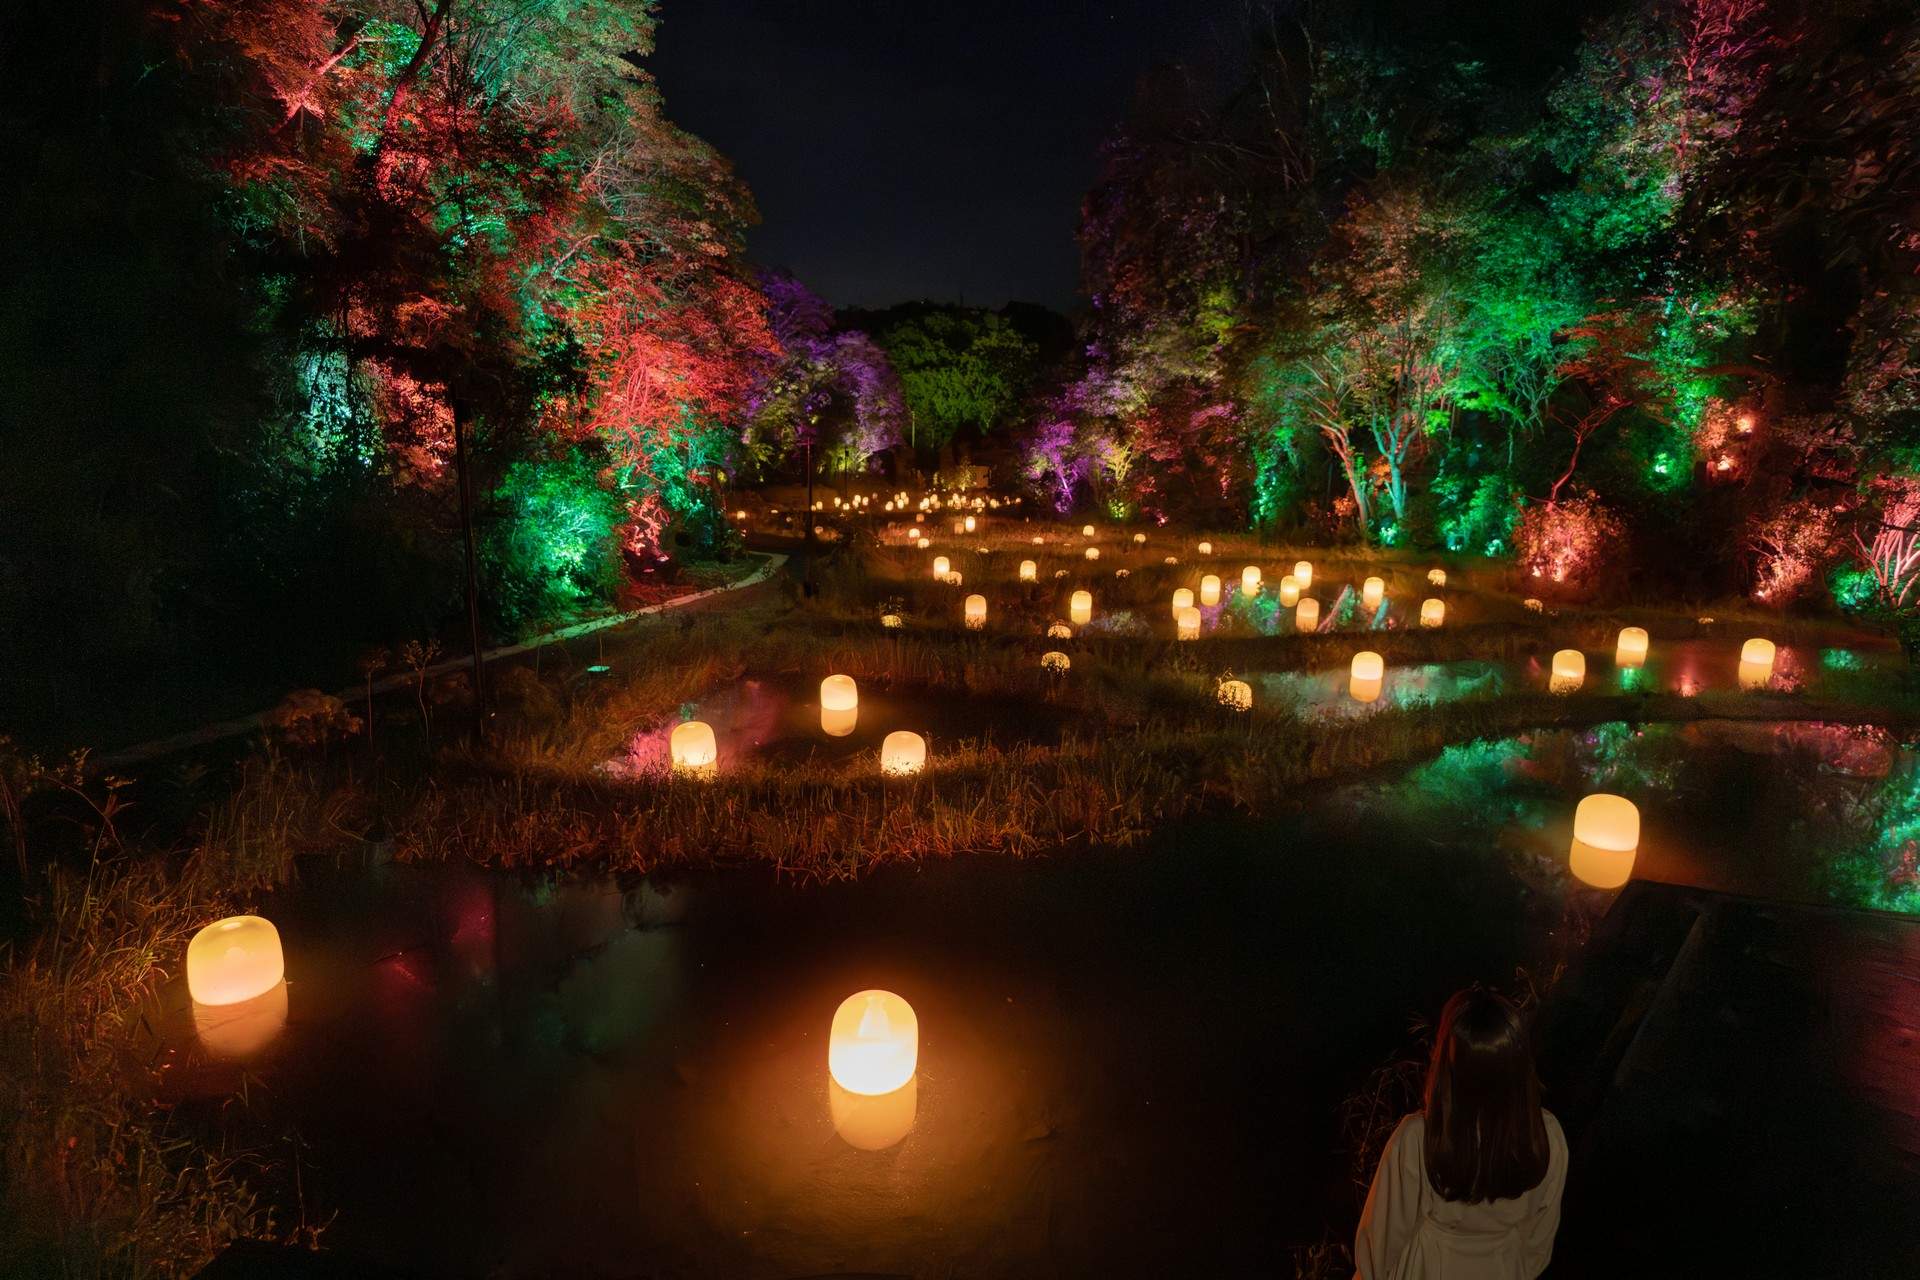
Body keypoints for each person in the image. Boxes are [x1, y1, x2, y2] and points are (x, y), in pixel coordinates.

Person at [1353, 987, 1568, 1279]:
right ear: (1520, 1066)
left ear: (1445, 1064)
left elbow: (1378, 1243)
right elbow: (1538, 1243)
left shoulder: (1418, 1139)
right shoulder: (1546, 1136)